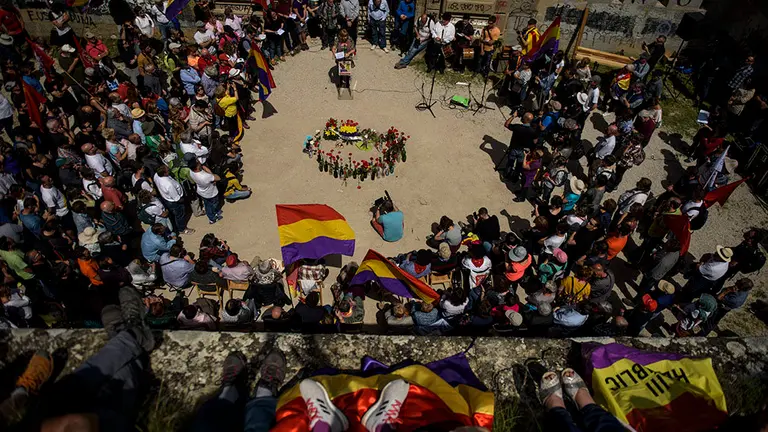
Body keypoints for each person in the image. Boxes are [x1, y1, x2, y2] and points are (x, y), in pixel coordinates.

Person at [154, 165, 194, 235]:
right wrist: (184, 199)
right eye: (167, 170)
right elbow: (177, 199)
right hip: (174, 202)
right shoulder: (168, 185)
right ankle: (182, 229)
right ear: (164, 173)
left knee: (177, 214)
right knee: (179, 215)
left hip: (166, 197)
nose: (169, 170)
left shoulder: (156, 175)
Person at [503, 112, 538, 180]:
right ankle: (515, 178)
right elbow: (535, 141)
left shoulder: (517, 127)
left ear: (524, 119)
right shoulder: (533, 131)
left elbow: (506, 124)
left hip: (514, 148)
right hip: (524, 151)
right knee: (519, 166)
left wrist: (513, 116)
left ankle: (506, 175)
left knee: (510, 163)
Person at [189, 160, 222, 225]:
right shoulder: (205, 176)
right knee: (213, 204)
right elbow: (218, 178)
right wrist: (212, 175)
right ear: (197, 166)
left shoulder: (191, 172)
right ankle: (212, 218)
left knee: (207, 204)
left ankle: (213, 213)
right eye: (198, 162)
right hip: (211, 193)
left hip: (202, 191)